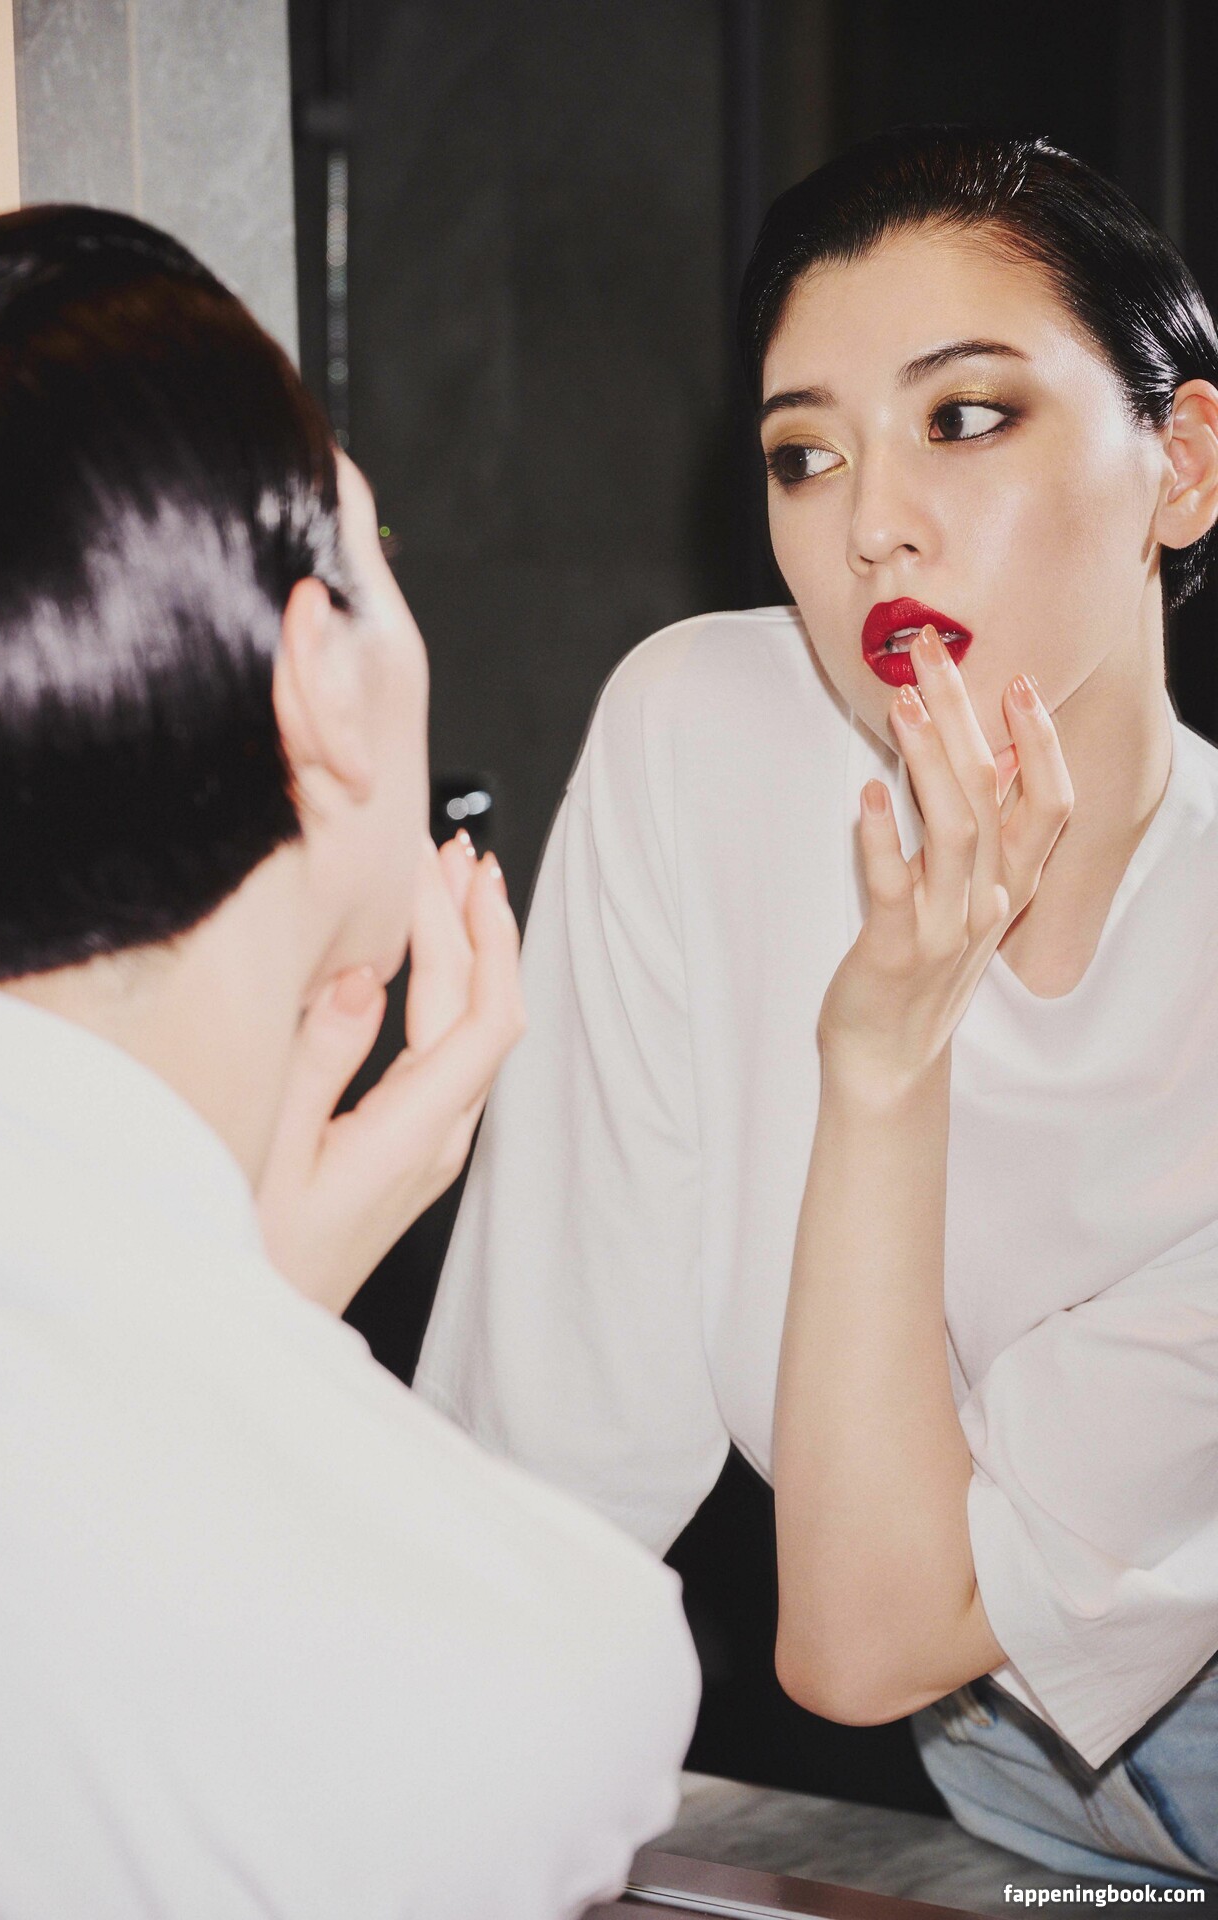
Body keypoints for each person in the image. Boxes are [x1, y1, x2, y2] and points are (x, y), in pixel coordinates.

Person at [415, 128, 1218, 1884]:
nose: (871, 524)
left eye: (966, 417)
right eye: (805, 453)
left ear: (1181, 465)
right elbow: (544, 1460)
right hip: (1001, 1794)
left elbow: (868, 1640)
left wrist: (882, 1061)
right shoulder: (705, 735)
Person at [0, 203, 699, 1919]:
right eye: (381, 546)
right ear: (317, 690)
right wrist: (256, 1328)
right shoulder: (519, 1662)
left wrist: (250, 1285)